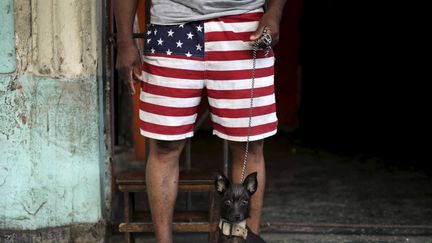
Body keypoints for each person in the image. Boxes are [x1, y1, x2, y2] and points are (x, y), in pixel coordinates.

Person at [114, 0, 287, 242]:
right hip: (171, 27)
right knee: (165, 146)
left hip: (245, 23)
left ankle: (246, 239)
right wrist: (124, 41)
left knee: (249, 143)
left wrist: (275, 12)